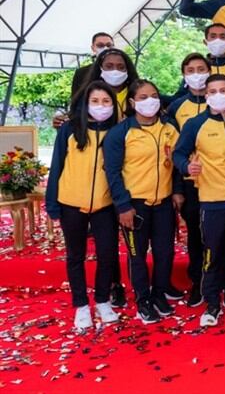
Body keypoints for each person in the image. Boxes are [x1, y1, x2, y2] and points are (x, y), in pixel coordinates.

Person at [104, 80, 183, 324]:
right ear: (132, 103)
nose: (149, 101)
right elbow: (113, 172)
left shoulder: (169, 128)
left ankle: (159, 294)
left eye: (154, 95)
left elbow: (178, 164)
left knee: (164, 252)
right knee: (137, 255)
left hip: (163, 203)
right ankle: (143, 299)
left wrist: (177, 191)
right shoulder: (120, 133)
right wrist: (123, 205)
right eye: (143, 97)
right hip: (134, 204)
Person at [45, 81, 121, 331]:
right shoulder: (69, 129)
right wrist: (53, 202)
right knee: (75, 256)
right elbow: (57, 166)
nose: (101, 106)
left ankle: (102, 300)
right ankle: (80, 304)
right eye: (95, 101)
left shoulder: (118, 131)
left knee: (107, 254)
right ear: (86, 104)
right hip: (71, 203)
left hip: (105, 204)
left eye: (106, 101)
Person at [173, 74, 225, 327]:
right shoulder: (195, 124)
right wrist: (186, 166)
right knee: (213, 255)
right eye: (213, 91)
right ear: (206, 96)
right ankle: (212, 303)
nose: (219, 95)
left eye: (223, 90)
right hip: (212, 201)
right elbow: (179, 153)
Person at [81, 48, 139, 307]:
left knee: (131, 233)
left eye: (120, 66)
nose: (115, 70)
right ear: (100, 68)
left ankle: (137, 282)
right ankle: (114, 284)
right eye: (110, 65)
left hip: (132, 172)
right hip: (101, 174)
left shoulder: (135, 95)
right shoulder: (91, 95)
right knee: (107, 239)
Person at [166, 53, 212, 307]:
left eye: (201, 68)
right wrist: (177, 188)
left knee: (220, 236)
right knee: (196, 235)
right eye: (191, 69)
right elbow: (172, 151)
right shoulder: (176, 107)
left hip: (220, 185)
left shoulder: (222, 101)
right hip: (189, 184)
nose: (197, 74)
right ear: (184, 75)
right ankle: (198, 282)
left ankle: (223, 280)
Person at [71, 32, 115, 98]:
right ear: (93, 48)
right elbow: (75, 100)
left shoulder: (123, 71)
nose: (106, 48)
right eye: (100, 45)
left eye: (109, 45)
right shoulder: (81, 73)